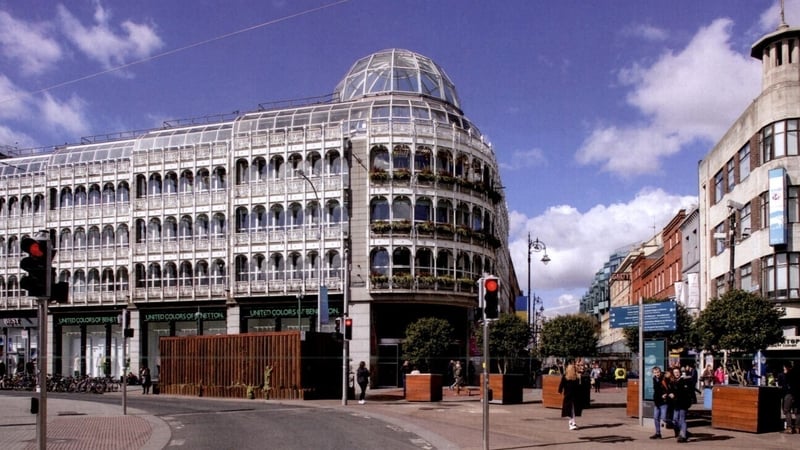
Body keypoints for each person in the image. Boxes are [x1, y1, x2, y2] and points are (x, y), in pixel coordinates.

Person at [667, 366, 692, 443]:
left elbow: (685, 393)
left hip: (683, 403)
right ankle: (684, 431)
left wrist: (675, 395)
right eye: (675, 372)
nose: (676, 374)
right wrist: (669, 394)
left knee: (682, 419)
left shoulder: (684, 381)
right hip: (676, 404)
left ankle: (683, 436)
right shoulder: (672, 381)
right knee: (675, 420)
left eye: (677, 372)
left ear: (680, 373)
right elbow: (670, 390)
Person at [558, 363, 584, 430]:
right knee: (572, 410)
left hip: (568, 395)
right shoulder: (575, 377)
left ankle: (573, 422)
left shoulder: (566, 377)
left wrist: (560, 391)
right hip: (573, 396)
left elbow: (561, 385)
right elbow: (579, 387)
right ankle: (571, 423)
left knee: (572, 410)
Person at [777, 361, 797, 433]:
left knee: (786, 410)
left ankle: (789, 428)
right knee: (796, 411)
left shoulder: (787, 375)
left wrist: (784, 374)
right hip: (796, 394)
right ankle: (798, 428)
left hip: (789, 394)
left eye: (784, 367)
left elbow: (783, 385)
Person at [650, 366, 669, 439]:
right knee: (656, 418)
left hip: (664, 402)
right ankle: (658, 433)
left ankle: (678, 426)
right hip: (657, 401)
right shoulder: (654, 379)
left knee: (664, 418)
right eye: (655, 372)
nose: (657, 374)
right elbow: (656, 390)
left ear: (660, 372)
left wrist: (666, 394)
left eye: (658, 372)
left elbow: (669, 388)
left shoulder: (664, 379)